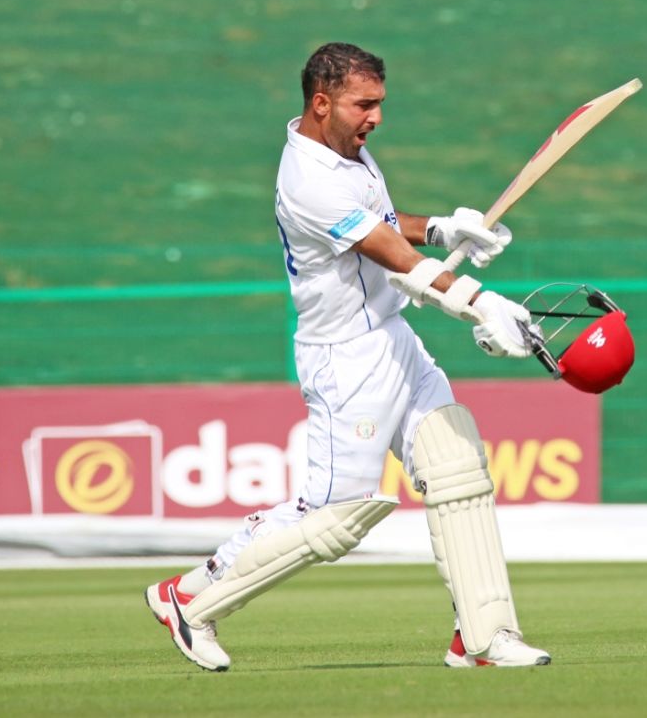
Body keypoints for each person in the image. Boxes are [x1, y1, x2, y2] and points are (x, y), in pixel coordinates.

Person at [145, 42, 550, 671]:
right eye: (366, 105)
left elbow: (386, 223)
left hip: (394, 341)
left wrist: (443, 228)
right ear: (321, 102)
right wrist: (480, 302)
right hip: (345, 361)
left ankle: (483, 637)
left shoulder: (348, 152)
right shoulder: (307, 181)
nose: (377, 118)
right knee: (335, 518)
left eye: (381, 103)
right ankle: (189, 603)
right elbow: (391, 256)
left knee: (456, 466)